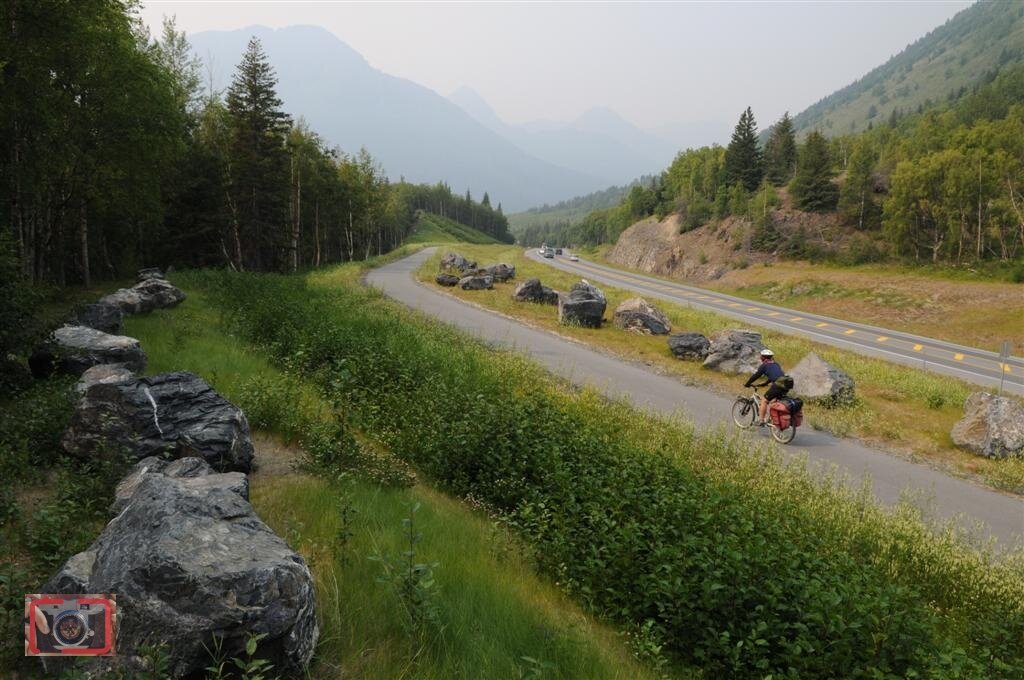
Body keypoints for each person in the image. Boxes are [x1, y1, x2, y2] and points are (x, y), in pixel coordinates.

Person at [744, 348, 789, 426]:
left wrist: (747, 384)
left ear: (763, 357)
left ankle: (761, 421)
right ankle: (773, 419)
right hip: (786, 384)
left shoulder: (764, 365)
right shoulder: (776, 364)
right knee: (774, 401)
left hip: (777, 385)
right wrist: (765, 383)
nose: (760, 358)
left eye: (761, 356)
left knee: (764, 401)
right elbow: (775, 375)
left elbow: (756, 376)